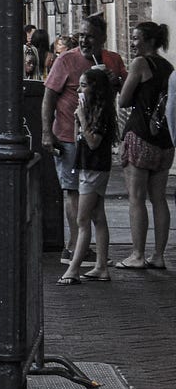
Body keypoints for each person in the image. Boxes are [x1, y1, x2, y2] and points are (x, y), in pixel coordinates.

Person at [42, 14, 126, 265]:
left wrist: (117, 82)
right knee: (73, 191)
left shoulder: (112, 60)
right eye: (81, 35)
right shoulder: (66, 60)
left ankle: (89, 251)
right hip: (68, 135)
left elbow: (124, 88)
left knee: (95, 195)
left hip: (97, 138)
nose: (84, 40)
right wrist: (47, 132)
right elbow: (49, 97)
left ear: (102, 38)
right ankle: (75, 246)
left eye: (90, 35)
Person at [114, 21, 172, 270]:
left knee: (136, 198)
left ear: (148, 41)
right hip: (164, 140)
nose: (133, 42)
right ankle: (158, 255)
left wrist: (120, 83)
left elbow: (125, 100)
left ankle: (137, 254)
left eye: (136, 38)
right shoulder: (168, 67)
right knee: (159, 199)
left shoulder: (140, 64)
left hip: (139, 136)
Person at [57, 69, 117, 284]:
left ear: (95, 88)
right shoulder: (88, 110)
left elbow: (93, 142)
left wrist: (82, 118)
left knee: (82, 220)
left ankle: (73, 269)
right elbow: (77, 140)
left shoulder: (101, 112)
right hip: (86, 167)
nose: (79, 89)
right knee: (97, 217)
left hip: (94, 169)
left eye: (83, 85)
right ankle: (101, 267)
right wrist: (77, 121)